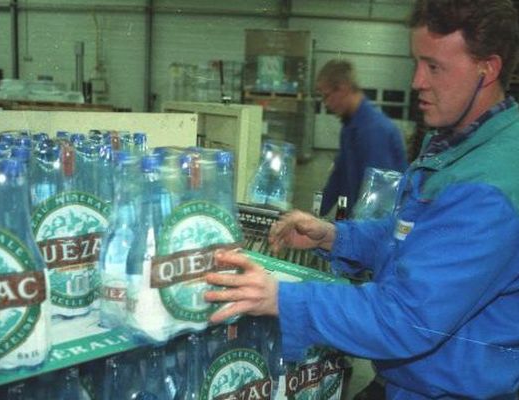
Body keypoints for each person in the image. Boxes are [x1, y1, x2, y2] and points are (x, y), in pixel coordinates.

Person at [204, 0, 519, 398]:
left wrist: (282, 298)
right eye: (415, 63)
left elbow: (406, 318)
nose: (417, 81)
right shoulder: (467, 146)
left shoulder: (489, 186)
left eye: (434, 66)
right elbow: (415, 233)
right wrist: (335, 237)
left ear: (486, 69)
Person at [316, 59, 407, 217]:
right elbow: (338, 179)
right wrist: (314, 215)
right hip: (355, 224)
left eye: (326, 96)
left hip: (373, 230)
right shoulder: (349, 128)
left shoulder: (374, 131)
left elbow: (378, 202)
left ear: (343, 89)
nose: (326, 104)